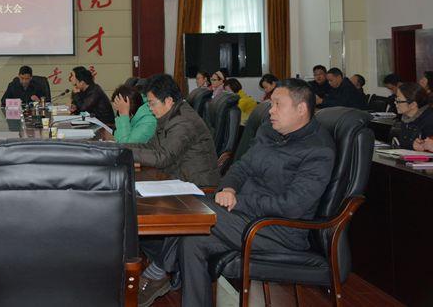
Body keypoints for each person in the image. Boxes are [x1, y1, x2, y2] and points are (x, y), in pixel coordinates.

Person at [137, 79, 335, 307]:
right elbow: (241, 167)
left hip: (277, 230)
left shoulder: (318, 150)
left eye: (278, 105)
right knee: (192, 241)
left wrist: (238, 201)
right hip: (243, 218)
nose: (271, 110)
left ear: (301, 109)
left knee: (194, 210)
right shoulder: (270, 131)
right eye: (271, 104)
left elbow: (292, 206)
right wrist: (229, 188)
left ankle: (157, 272)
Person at [123, 74, 219, 187]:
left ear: (168, 100)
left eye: (152, 104)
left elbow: (163, 157)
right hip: (179, 178)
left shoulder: (183, 122)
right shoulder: (169, 116)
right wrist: (119, 148)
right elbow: (152, 146)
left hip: (198, 186)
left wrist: (126, 154)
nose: (150, 108)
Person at [392, 82, 433, 149]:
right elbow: (400, 141)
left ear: (413, 105)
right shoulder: (406, 117)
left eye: (399, 101)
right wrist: (411, 145)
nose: (395, 102)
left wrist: (423, 146)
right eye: (396, 99)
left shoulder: (429, 119)